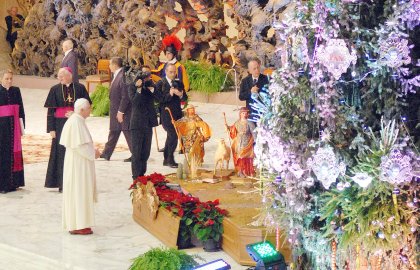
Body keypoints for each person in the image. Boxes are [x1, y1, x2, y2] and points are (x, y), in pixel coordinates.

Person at [44, 67, 91, 192]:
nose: (60, 78)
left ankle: (76, 182)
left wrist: (76, 114)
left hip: (75, 124)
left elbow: (87, 106)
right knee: (60, 152)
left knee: (76, 150)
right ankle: (62, 183)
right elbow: (50, 111)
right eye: (59, 76)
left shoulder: (80, 88)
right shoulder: (54, 89)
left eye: (62, 76)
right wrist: (51, 129)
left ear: (70, 76)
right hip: (59, 125)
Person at [61, 98, 99, 235]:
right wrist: (94, 153)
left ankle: (79, 223)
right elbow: (80, 146)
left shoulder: (76, 120)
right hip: (79, 165)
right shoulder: (76, 122)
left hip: (78, 163)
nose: (90, 110)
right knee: (79, 191)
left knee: (79, 192)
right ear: (82, 110)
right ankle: (79, 225)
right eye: (88, 108)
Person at [129, 67, 161, 179]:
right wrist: (138, 88)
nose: (146, 77)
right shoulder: (132, 86)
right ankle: (136, 176)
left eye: (147, 75)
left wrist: (151, 88)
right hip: (137, 124)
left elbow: (159, 98)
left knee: (146, 152)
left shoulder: (151, 85)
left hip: (148, 123)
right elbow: (135, 103)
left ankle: (142, 174)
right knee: (136, 152)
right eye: (143, 74)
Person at [100, 57, 132, 162]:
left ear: (114, 65)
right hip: (115, 109)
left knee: (127, 132)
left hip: (122, 111)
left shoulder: (122, 76)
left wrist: (120, 111)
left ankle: (136, 154)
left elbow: (125, 96)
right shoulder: (117, 75)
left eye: (110, 64)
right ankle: (106, 153)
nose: (109, 67)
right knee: (114, 131)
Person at [155, 63, 187, 168]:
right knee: (173, 136)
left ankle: (166, 159)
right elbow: (159, 99)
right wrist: (170, 94)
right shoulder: (161, 83)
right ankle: (170, 160)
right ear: (166, 72)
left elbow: (185, 98)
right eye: (170, 72)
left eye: (174, 72)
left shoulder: (178, 82)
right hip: (166, 115)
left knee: (171, 136)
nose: (173, 74)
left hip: (177, 114)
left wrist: (180, 94)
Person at [0, 70, 25, 193]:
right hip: (2, 129)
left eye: (11, 78)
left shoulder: (16, 90)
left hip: (14, 127)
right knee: (3, 155)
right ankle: (3, 185)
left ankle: (14, 183)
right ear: (1, 79)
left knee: (14, 155)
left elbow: (21, 109)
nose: (9, 81)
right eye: (6, 79)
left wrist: (21, 127)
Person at [225, 107, 255, 177]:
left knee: (244, 157)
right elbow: (233, 129)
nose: (244, 114)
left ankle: (245, 171)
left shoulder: (250, 123)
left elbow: (254, 132)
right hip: (238, 142)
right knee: (239, 156)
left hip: (247, 142)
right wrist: (228, 127)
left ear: (247, 114)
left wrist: (255, 140)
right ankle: (240, 171)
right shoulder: (237, 122)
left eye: (245, 113)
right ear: (240, 114)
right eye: (243, 113)